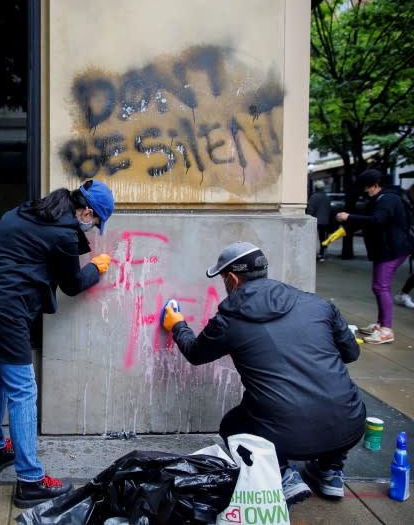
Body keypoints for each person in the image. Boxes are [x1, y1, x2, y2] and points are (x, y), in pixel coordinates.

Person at [0, 179, 115, 509]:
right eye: (95, 222)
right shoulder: (64, 233)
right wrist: (95, 267)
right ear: (87, 212)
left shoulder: (23, 212)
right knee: (24, 391)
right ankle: (30, 481)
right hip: (4, 311)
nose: (92, 229)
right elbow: (72, 284)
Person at [161, 241, 366, 507]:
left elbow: (196, 354)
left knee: (232, 426)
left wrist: (178, 326)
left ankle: (282, 473)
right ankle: (330, 471)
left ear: (232, 279)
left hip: (286, 434)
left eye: (223, 277)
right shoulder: (317, 304)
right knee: (334, 404)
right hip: (350, 425)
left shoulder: (230, 320)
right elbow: (351, 354)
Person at [335, 169, 414, 344]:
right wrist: (347, 228)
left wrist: (348, 217)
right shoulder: (382, 198)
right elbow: (371, 220)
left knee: (381, 287)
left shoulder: (387, 199)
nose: (365, 191)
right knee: (379, 287)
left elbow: (378, 220)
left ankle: (386, 330)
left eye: (367, 188)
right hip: (387, 249)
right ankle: (381, 325)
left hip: (392, 250)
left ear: (375, 185)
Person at [306, 181, 331, 262]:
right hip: (325, 221)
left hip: (316, 220)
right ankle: (322, 253)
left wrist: (308, 217)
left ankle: (316, 254)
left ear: (316, 188)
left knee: (314, 238)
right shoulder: (326, 197)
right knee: (323, 238)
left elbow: (310, 209)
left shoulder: (314, 196)